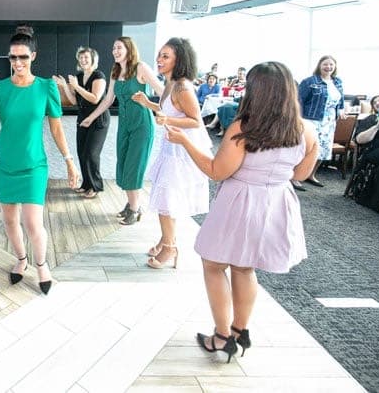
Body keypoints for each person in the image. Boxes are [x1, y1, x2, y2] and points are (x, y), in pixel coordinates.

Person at [166, 61, 318, 363]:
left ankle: (222, 336)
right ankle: (241, 330)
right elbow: (301, 175)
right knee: (244, 267)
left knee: (213, 264)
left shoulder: (243, 128)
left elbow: (216, 171)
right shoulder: (306, 129)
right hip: (277, 203)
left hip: (239, 202)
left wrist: (184, 141)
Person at [0, 33, 79, 295]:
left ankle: (42, 265)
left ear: (33, 56)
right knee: (9, 220)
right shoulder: (0, 88)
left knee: (33, 222)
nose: (17, 62)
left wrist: (69, 161)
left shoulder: (46, 87)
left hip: (34, 166)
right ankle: (21, 260)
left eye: (23, 56)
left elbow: (56, 129)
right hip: (4, 164)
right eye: (13, 57)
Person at [132, 37, 211, 269]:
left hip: (181, 152)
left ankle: (170, 248)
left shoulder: (183, 87)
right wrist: (149, 103)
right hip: (172, 146)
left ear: (179, 60)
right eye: (160, 55)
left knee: (167, 198)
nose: (159, 59)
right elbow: (170, 110)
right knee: (166, 197)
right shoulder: (171, 83)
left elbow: (196, 121)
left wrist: (166, 119)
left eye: (165, 56)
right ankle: (166, 240)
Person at [81, 37, 161, 225]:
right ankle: (131, 204)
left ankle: (135, 209)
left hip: (142, 125)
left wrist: (152, 105)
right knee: (124, 165)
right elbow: (108, 100)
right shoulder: (115, 71)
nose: (114, 51)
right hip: (125, 125)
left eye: (119, 47)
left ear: (129, 49)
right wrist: (91, 118)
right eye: (113, 48)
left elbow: (162, 90)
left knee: (134, 166)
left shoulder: (141, 68)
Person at [54, 46, 109, 199]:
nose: (83, 60)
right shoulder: (78, 77)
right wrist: (65, 86)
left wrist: (76, 86)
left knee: (91, 154)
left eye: (86, 57)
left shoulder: (99, 76)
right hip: (83, 118)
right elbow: (74, 101)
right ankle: (86, 185)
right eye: (81, 57)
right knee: (82, 153)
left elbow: (95, 98)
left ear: (93, 59)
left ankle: (95, 186)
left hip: (98, 120)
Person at [296, 55, 346, 189]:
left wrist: (341, 108)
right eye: (325, 64)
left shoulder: (338, 82)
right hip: (312, 119)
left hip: (329, 121)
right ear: (319, 65)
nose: (328, 67)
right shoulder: (310, 81)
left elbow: (340, 99)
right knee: (307, 148)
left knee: (323, 150)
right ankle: (295, 176)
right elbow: (299, 100)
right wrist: (299, 118)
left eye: (331, 65)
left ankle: (311, 174)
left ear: (335, 67)